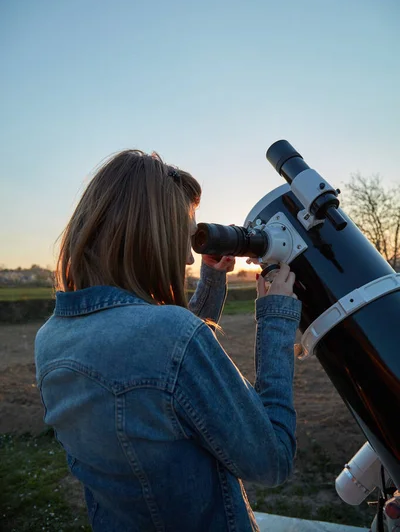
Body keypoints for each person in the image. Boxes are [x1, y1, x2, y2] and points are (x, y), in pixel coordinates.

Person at [35, 149, 302, 532]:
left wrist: (213, 280)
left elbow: (162, 376)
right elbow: (272, 458)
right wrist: (276, 319)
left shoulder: (52, 337)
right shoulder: (168, 335)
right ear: (151, 238)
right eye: (181, 235)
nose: (190, 259)